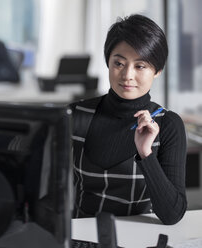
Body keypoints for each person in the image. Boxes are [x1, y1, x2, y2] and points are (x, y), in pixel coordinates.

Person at [70, 14, 187, 225]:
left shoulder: (168, 124)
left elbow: (172, 215)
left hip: (140, 238)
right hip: (82, 235)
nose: (127, 75)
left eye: (140, 66)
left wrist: (146, 154)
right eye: (119, 63)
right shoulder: (76, 115)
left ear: (157, 70)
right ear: (108, 62)